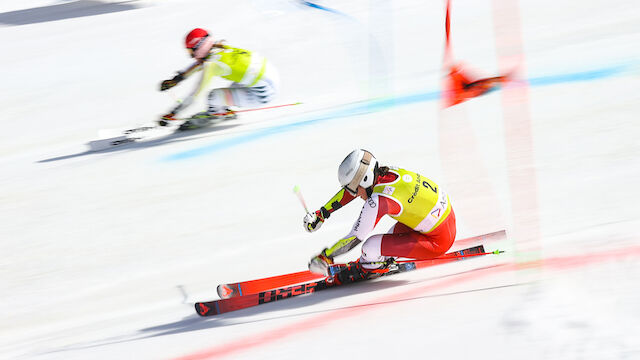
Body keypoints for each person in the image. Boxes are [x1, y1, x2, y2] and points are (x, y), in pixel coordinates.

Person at [304, 149, 457, 281]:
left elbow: (354, 238)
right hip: (443, 219)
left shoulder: (378, 201)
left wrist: (326, 256)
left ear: (365, 180)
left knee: (370, 248)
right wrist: (323, 213)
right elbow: (356, 188)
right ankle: (379, 260)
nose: (354, 195)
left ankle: (372, 269)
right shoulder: (388, 172)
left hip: (437, 242)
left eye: (354, 189)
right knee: (380, 246)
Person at [158, 28, 279, 129]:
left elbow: (195, 95)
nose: (191, 56)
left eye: (191, 52)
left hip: (263, 94)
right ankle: (223, 110)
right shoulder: (221, 48)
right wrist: (177, 79)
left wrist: (173, 113)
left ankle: (216, 116)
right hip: (270, 78)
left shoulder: (212, 64)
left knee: (213, 96)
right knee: (232, 88)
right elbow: (200, 64)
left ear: (199, 47)